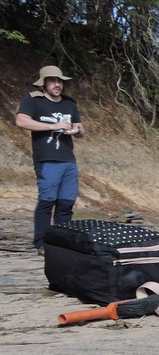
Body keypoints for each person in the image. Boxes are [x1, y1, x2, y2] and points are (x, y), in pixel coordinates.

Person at [15, 65, 85, 255]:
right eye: (53, 81)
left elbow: (80, 128)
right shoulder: (33, 100)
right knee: (47, 201)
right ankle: (41, 243)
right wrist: (53, 125)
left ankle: (62, 243)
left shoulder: (69, 103)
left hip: (68, 160)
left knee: (66, 203)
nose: (57, 84)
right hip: (46, 159)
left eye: (59, 81)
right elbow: (21, 121)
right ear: (44, 83)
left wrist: (77, 131)